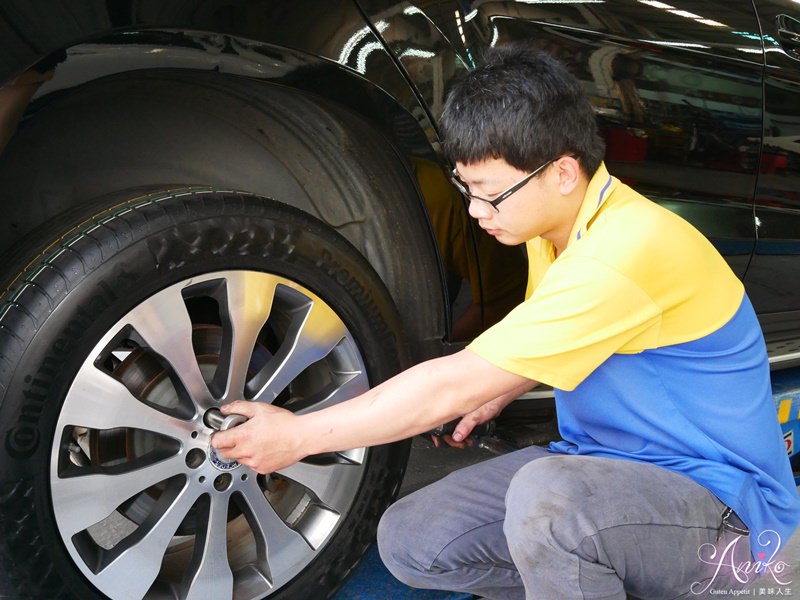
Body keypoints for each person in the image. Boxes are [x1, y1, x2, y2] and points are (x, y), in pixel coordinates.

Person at [211, 44, 800, 598]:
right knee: (414, 539)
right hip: (603, 467)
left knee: (553, 505)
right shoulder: (554, 230)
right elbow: (555, 331)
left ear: (563, 172)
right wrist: (507, 383)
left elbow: (450, 382)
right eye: (465, 188)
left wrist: (296, 437)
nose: (474, 211)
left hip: (728, 516)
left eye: (490, 194)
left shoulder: (628, 249)